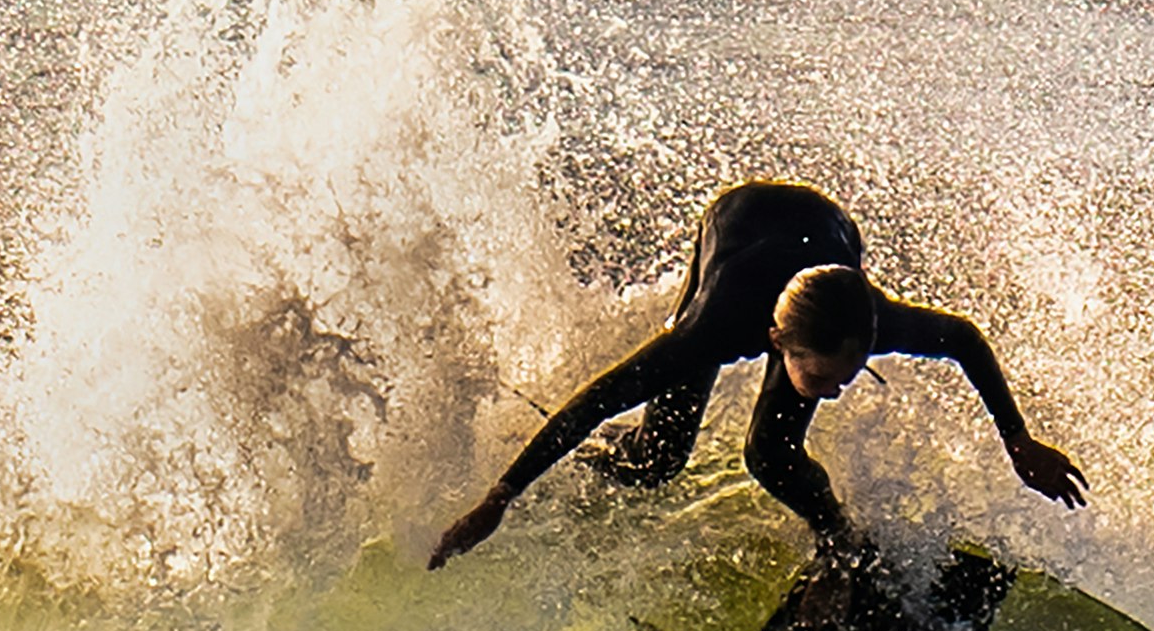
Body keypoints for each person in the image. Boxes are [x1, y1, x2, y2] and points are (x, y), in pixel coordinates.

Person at [425, 177, 1087, 567]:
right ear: (777, 344)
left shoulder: (868, 317)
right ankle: (590, 470)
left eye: (851, 372)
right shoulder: (713, 329)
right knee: (657, 461)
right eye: (826, 378)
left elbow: (963, 337)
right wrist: (498, 499)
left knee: (770, 454)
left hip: (823, 242)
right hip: (737, 228)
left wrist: (1017, 440)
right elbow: (595, 399)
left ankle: (837, 543)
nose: (839, 390)